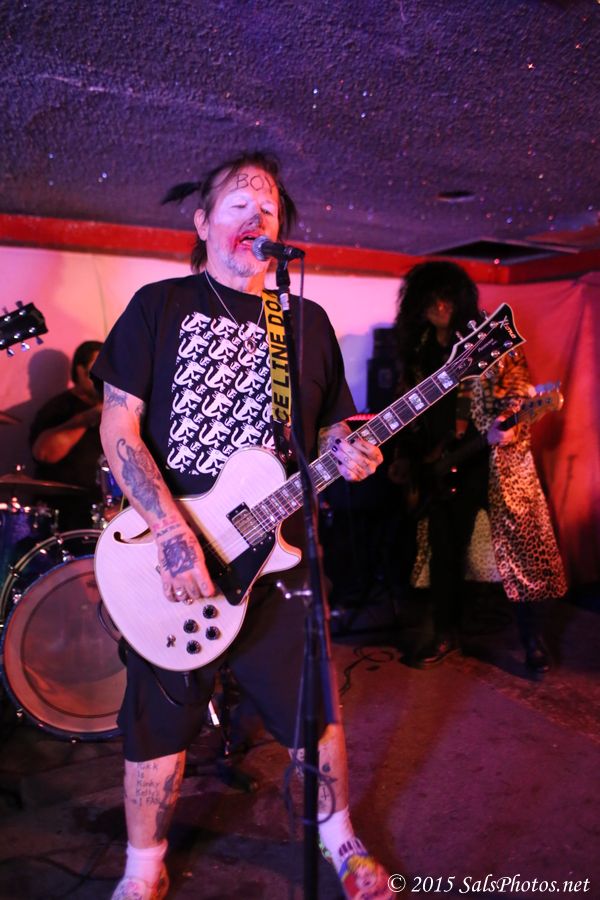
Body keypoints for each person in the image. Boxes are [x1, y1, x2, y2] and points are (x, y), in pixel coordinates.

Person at [92, 150, 393, 900]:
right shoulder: (159, 306)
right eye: (238, 204)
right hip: (176, 551)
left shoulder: (305, 321)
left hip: (281, 554)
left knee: (313, 707)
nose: (257, 217)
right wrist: (172, 535)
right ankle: (144, 868)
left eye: (268, 209)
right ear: (202, 223)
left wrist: (349, 450)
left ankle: (341, 841)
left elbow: (330, 427)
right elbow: (118, 427)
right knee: (157, 719)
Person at [390, 261, 567, 674]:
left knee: (520, 552)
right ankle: (445, 632)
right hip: (441, 464)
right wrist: (404, 457)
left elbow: (518, 391)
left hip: (495, 463)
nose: (440, 307)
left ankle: (532, 641)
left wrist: (506, 425)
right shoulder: (419, 350)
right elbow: (408, 408)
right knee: (445, 550)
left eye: (447, 299)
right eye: (432, 299)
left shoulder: (488, 339)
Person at [30, 340, 104, 529]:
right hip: (67, 512)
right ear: (80, 371)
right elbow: (45, 454)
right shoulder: (58, 409)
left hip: (109, 509)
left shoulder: (119, 407)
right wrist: (87, 418)